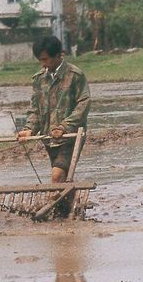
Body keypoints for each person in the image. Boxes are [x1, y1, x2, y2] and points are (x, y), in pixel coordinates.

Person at [17, 36, 91, 184]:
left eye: (45, 59)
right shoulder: (39, 79)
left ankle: (57, 206)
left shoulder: (75, 75)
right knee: (63, 178)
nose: (42, 64)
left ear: (58, 55)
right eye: (40, 60)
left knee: (57, 175)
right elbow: (35, 109)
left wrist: (64, 127)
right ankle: (69, 205)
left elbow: (84, 103)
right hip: (49, 138)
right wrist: (29, 129)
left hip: (70, 136)